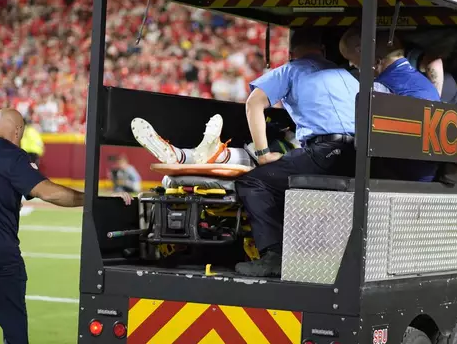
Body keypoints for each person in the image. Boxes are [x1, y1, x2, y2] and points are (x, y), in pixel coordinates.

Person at [0, 108, 132, 344]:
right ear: (17, 131)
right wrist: (94, 200)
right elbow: (49, 192)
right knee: (15, 334)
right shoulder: (12, 155)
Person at [231, 28, 397, 278]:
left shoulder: (290, 70)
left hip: (327, 151)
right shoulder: (348, 75)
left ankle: (273, 256)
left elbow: (254, 103)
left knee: (255, 181)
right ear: (323, 51)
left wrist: (264, 154)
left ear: (290, 54)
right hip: (362, 154)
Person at [339, 26, 441, 182]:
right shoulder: (424, 83)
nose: (352, 65)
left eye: (351, 59)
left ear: (369, 56)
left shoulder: (381, 88)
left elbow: (364, 137)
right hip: (426, 172)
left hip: (402, 175)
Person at [130, 114, 298, 168]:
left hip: (282, 158)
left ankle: (181, 155)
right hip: (266, 151)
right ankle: (178, 155)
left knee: (251, 155)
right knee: (252, 152)